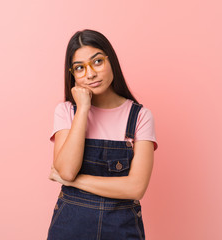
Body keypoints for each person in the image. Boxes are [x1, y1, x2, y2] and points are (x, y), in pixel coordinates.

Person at [47, 29, 158, 240]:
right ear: (72, 74)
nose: (90, 74)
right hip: (70, 228)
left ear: (111, 61)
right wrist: (83, 109)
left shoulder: (141, 116)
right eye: (80, 68)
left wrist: (74, 183)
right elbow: (67, 171)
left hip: (121, 229)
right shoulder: (66, 112)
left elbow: (135, 188)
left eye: (97, 62)